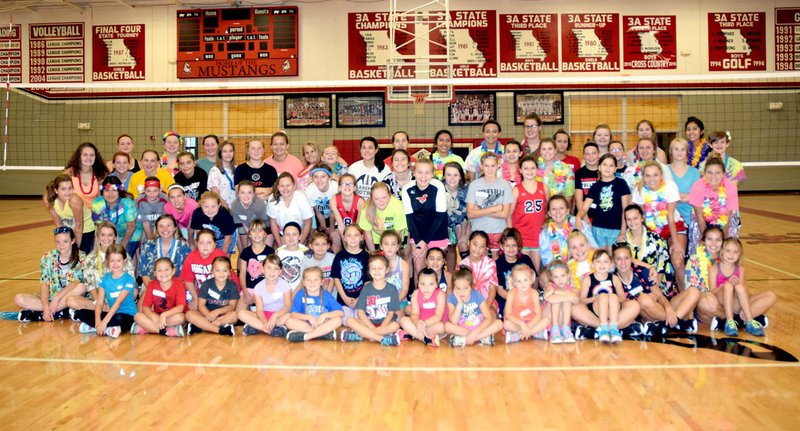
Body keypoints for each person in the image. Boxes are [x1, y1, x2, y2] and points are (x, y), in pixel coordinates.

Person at [612, 243, 698, 336]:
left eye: (626, 258)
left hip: (660, 307)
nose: (623, 262)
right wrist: (640, 299)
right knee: (644, 299)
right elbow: (622, 307)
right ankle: (677, 323)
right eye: (619, 259)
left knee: (694, 291)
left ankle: (669, 324)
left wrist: (668, 309)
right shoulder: (613, 280)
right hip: (644, 316)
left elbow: (660, 296)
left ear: (631, 259)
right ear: (614, 261)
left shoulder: (641, 271)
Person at [631, 161, 687, 291]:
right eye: (648, 175)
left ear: (661, 175)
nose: (651, 179)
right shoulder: (639, 190)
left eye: (655, 175)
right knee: (649, 262)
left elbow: (670, 216)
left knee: (677, 260)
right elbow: (641, 218)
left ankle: (685, 294)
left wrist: (676, 243)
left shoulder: (670, 186)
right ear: (643, 177)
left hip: (673, 226)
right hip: (652, 229)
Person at [12, 227, 86, 322]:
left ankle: (44, 312)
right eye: (58, 242)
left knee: (81, 287)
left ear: (72, 241)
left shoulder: (81, 256)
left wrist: (57, 298)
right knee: (19, 298)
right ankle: (59, 312)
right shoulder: (47, 257)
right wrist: (46, 307)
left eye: (65, 241)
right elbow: (44, 284)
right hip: (51, 299)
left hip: (69, 296)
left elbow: (76, 283)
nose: (61, 245)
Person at [707, 238, 775, 337]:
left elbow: (741, 290)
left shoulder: (741, 269)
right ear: (722, 252)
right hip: (723, 302)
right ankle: (731, 322)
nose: (731, 255)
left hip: (738, 303)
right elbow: (712, 293)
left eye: (735, 252)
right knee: (728, 286)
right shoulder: (714, 269)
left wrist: (744, 305)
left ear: (740, 254)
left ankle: (749, 321)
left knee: (771, 295)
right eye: (728, 251)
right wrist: (726, 284)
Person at [66, 222, 135, 312]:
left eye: (110, 235)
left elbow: (130, 281)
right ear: (98, 237)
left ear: (115, 237)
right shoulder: (90, 258)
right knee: (71, 301)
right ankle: (105, 310)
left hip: (120, 298)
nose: (106, 238)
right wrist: (100, 302)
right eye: (103, 235)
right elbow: (90, 285)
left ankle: (109, 311)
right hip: (99, 300)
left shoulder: (124, 255)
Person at [74, 244, 136, 338]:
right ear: (107, 262)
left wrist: (104, 322)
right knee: (80, 312)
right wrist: (98, 320)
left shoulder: (128, 280)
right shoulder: (104, 279)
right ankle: (107, 328)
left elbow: (117, 304)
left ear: (125, 261)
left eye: (118, 261)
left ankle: (97, 327)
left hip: (127, 315)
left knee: (119, 318)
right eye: (112, 261)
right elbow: (99, 303)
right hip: (111, 313)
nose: (115, 264)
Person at [340, 254, 402, 345]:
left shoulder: (392, 289)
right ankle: (381, 338)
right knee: (350, 321)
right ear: (369, 271)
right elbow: (360, 313)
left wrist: (379, 328)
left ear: (387, 269)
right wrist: (372, 328)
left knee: (395, 325)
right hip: (368, 324)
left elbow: (390, 314)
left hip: (385, 325)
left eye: (380, 268)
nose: (377, 271)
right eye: (373, 268)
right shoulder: (366, 288)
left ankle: (361, 335)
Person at [402, 158, 449, 278]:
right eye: (420, 172)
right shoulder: (407, 189)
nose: (423, 176)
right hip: (418, 234)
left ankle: (439, 295)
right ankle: (419, 296)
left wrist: (425, 242)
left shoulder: (438, 186)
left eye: (427, 172)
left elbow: (439, 217)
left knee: (436, 269)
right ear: (413, 173)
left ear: (432, 173)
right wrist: (419, 241)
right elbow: (409, 219)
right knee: (419, 269)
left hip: (437, 232)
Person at [577, 153, 631, 250]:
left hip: (616, 229)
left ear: (615, 169)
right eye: (604, 165)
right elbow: (584, 208)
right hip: (598, 229)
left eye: (611, 165)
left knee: (613, 259)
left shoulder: (621, 183)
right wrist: (578, 217)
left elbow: (625, 209)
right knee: (601, 259)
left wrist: (623, 231)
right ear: (599, 167)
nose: (608, 168)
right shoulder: (595, 186)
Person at [466, 153, 513, 259]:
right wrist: (496, 208)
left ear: (498, 166)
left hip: (498, 230)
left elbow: (505, 214)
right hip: (479, 230)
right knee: (481, 263)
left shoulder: (504, 185)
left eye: (493, 166)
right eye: (486, 166)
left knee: (496, 264)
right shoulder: (474, 185)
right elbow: (470, 214)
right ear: (481, 166)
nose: (490, 169)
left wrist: (480, 210)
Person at [623, 204, 675, 297]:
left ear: (642, 218)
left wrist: (656, 291)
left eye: (635, 218)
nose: (632, 222)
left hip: (656, 285)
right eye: (629, 219)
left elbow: (663, 267)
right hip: (632, 287)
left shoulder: (656, 239)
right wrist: (649, 266)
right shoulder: (622, 242)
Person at [689, 154, 740, 246]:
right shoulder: (697, 186)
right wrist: (706, 240)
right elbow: (699, 216)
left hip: (725, 223)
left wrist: (722, 241)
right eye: (709, 172)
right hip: (702, 222)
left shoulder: (730, 188)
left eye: (717, 173)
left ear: (723, 174)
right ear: (704, 173)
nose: (713, 176)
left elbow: (727, 219)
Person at [445, 267, 503, 347]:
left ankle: (469, 339)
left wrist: (474, 334)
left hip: (479, 327)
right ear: (453, 288)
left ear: (471, 287)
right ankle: (483, 338)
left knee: (499, 323)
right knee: (447, 326)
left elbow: (488, 318)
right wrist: (459, 303)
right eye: (458, 288)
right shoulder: (451, 298)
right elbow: (454, 321)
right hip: (463, 329)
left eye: (465, 288)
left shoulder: (477, 295)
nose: (462, 292)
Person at [284, 267, 343, 342]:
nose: (312, 283)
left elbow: (341, 313)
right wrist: (308, 317)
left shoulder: (327, 295)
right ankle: (322, 334)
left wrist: (324, 315)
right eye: (309, 280)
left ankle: (306, 336)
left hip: (323, 324)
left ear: (321, 282)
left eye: (316, 280)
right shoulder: (300, 294)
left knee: (338, 320)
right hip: (306, 325)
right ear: (304, 282)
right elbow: (293, 314)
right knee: (289, 321)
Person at [131, 257, 186, 337]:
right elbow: (145, 307)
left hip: (170, 316)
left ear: (173, 271)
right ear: (155, 273)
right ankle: (165, 331)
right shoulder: (152, 285)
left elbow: (180, 307)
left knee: (181, 318)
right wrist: (155, 318)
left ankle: (147, 328)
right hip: (156, 316)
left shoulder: (179, 284)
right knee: (137, 316)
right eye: (159, 270)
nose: (163, 273)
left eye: (166, 269)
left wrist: (164, 315)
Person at [239, 254, 292, 336]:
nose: (272, 272)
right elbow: (259, 310)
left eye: (276, 269)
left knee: (289, 316)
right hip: (263, 315)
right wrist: (264, 321)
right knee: (241, 313)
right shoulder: (258, 287)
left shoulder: (285, 285)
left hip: (279, 316)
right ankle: (269, 329)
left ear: (280, 272)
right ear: (262, 269)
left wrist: (275, 316)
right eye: (269, 268)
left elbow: (288, 306)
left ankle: (258, 327)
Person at [580, 250, 626, 343]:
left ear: (611, 264)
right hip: (597, 309)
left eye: (605, 261)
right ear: (592, 264)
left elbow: (623, 297)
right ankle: (604, 329)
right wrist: (595, 298)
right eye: (598, 261)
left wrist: (612, 298)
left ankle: (613, 329)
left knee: (613, 297)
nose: (602, 264)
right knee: (603, 297)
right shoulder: (588, 279)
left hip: (612, 309)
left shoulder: (614, 278)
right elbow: (582, 300)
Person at [185, 256, 239, 336]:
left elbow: (232, 306)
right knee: (189, 314)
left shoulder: (233, 286)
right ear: (212, 272)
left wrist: (217, 312)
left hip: (223, 315)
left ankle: (201, 327)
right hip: (206, 314)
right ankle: (220, 330)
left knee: (235, 315)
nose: (221, 274)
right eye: (217, 270)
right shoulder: (206, 284)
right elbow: (201, 305)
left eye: (224, 270)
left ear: (229, 272)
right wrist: (209, 315)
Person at [539, 195, 597, 267]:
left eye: (561, 208)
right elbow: (547, 261)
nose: (558, 212)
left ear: (567, 211)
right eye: (554, 209)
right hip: (559, 271)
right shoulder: (545, 233)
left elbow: (593, 248)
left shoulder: (578, 223)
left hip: (583, 265)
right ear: (549, 213)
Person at [91, 176, 142, 258]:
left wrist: (121, 247)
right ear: (102, 191)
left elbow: (131, 227)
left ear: (119, 191)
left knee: (123, 256)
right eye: (106, 190)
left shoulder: (127, 203)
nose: (110, 194)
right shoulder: (97, 204)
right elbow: (99, 227)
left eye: (114, 190)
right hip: (109, 235)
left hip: (131, 234)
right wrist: (100, 245)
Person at [44, 174, 95, 253]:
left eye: (70, 188)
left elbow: (79, 225)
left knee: (82, 258)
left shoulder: (74, 200)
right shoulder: (49, 199)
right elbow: (58, 223)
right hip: (71, 231)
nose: (67, 192)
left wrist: (75, 249)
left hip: (87, 231)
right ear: (56, 190)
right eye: (63, 189)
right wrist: (63, 241)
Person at [137, 214, 191, 288]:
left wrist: (170, 291)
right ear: (156, 229)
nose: (165, 229)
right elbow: (144, 274)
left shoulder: (183, 246)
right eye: (161, 226)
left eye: (168, 225)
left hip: (176, 287)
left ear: (175, 228)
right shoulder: (148, 245)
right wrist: (154, 290)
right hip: (151, 286)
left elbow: (185, 275)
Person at [331, 224, 370, 323]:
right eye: (349, 235)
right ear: (344, 238)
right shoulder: (339, 256)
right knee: (346, 320)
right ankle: (353, 331)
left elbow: (367, 281)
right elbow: (336, 279)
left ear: (362, 237)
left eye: (356, 235)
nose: (353, 238)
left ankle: (357, 331)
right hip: (344, 300)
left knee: (363, 319)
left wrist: (359, 298)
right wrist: (345, 298)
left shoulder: (367, 256)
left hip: (361, 299)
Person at [180, 229, 227, 310]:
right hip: (201, 294)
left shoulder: (220, 256)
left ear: (215, 244)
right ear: (196, 243)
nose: (205, 246)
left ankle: (213, 321)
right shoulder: (191, 257)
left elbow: (228, 280)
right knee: (190, 313)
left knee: (229, 311)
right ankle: (211, 321)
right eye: (201, 243)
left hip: (221, 293)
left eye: (209, 243)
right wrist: (195, 298)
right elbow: (188, 281)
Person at [494, 228, 535, 317]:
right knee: (510, 313)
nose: (511, 249)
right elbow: (500, 290)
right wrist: (515, 299)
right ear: (501, 246)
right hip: (507, 298)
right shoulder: (498, 264)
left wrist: (526, 298)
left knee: (533, 311)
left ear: (519, 246)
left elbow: (533, 282)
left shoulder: (525, 260)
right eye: (507, 245)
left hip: (526, 296)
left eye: (514, 245)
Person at [398, 268, 446, 346]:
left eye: (431, 284)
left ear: (436, 284)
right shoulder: (416, 294)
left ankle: (412, 334)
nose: (426, 288)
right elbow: (414, 313)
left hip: (434, 324)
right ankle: (425, 339)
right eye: (423, 284)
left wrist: (425, 323)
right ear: (418, 284)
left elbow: (438, 316)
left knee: (442, 327)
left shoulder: (440, 294)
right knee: (403, 320)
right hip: (420, 324)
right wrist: (418, 323)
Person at [504, 264, 550, 344]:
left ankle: (521, 334)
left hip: (531, 321)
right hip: (517, 322)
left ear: (531, 280)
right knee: (506, 324)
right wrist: (522, 324)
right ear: (514, 283)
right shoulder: (511, 294)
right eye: (519, 281)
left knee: (546, 320)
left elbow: (538, 314)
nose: (523, 284)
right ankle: (534, 333)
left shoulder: (534, 293)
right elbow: (507, 314)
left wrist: (528, 327)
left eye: (525, 280)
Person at [268, 173, 314, 247]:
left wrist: (300, 245)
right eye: (282, 186)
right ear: (278, 187)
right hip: (282, 234)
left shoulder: (301, 198)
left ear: (294, 186)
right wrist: (279, 245)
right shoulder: (272, 198)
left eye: (288, 185)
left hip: (300, 234)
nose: (285, 189)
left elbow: (308, 224)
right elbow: (273, 223)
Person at [358, 181, 407, 251]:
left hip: (394, 240)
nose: (381, 201)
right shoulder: (365, 208)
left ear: (389, 195)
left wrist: (394, 251)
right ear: (372, 198)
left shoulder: (398, 206)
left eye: (384, 197)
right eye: (376, 199)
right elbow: (368, 234)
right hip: (375, 241)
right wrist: (373, 253)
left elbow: (398, 232)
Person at [236, 219, 275, 308]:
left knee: (265, 311)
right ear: (249, 234)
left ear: (265, 234)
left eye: (260, 231)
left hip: (266, 289)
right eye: (253, 231)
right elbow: (242, 275)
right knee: (239, 313)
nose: (257, 234)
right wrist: (245, 292)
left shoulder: (270, 252)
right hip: (249, 289)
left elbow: (273, 274)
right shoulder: (245, 252)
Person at [460, 231, 499, 311]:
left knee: (492, 318)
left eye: (482, 246)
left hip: (488, 302)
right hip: (468, 303)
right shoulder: (461, 265)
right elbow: (460, 290)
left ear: (486, 248)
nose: (477, 249)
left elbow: (492, 289)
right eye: (475, 244)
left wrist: (487, 307)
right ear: (469, 243)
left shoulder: (490, 263)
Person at [666, 138, 701, 225]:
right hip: (669, 215)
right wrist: (685, 196)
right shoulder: (665, 170)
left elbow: (696, 196)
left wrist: (675, 196)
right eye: (676, 149)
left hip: (690, 216)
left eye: (682, 149)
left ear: (687, 152)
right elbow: (664, 194)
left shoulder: (695, 172)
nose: (679, 152)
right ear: (671, 151)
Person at [543, 260, 579, 343]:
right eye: (556, 277)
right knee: (559, 299)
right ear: (551, 278)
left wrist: (556, 291)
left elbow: (576, 299)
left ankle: (566, 329)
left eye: (562, 276)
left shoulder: (572, 289)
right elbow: (549, 298)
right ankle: (555, 330)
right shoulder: (550, 287)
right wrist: (567, 296)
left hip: (563, 322)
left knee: (566, 299)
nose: (560, 280)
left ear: (568, 275)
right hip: (549, 320)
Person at [443, 161, 470, 274]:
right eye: (448, 175)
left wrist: (465, 233)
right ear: (444, 176)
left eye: (455, 175)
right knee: (449, 248)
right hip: (444, 223)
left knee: (463, 244)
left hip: (463, 222)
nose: (452, 178)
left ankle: (467, 272)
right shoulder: (439, 188)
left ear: (460, 176)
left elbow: (469, 213)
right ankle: (449, 275)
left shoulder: (466, 189)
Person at [64, 142, 108, 208]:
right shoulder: (69, 173)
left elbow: (105, 199)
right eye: (85, 155)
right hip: (74, 213)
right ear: (79, 156)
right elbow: (51, 193)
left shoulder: (101, 174)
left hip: (93, 214)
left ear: (96, 157)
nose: (89, 158)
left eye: (92, 155)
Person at [230, 180, 267, 253]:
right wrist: (249, 234)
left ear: (254, 194)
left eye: (249, 193)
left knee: (260, 249)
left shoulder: (260, 205)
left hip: (262, 227)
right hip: (245, 227)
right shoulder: (235, 205)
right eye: (242, 193)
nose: (246, 196)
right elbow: (242, 224)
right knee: (245, 251)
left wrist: (255, 236)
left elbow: (261, 226)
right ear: (238, 194)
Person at [305, 164, 339, 241]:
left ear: (329, 178)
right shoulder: (310, 190)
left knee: (334, 237)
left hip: (335, 215)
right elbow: (318, 212)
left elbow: (333, 211)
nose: (319, 180)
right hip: (320, 215)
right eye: (316, 177)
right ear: (312, 178)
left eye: (323, 177)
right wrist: (324, 231)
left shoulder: (335, 187)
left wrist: (331, 229)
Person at [537, 138, 574, 205]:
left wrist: (556, 210)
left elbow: (569, 195)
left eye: (550, 149)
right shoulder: (534, 168)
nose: (547, 152)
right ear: (540, 151)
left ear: (555, 150)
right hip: (539, 209)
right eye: (544, 149)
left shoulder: (566, 169)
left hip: (559, 211)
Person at [331, 173, 362, 253]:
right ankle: (336, 259)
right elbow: (340, 226)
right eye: (344, 184)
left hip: (356, 229)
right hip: (341, 228)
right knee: (335, 237)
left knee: (360, 238)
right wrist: (346, 247)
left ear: (354, 187)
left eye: (350, 184)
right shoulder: (334, 200)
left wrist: (352, 242)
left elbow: (358, 227)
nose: (347, 186)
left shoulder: (360, 201)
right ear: (339, 187)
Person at [275, 221, 309, 291]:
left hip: (301, 290)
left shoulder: (306, 252)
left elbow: (308, 275)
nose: (291, 238)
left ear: (300, 236)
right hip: (282, 290)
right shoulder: (278, 252)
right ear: (283, 237)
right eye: (287, 235)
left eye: (294, 234)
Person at [573, 142, 600, 220]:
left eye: (593, 153)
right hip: (584, 217)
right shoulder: (579, 173)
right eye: (587, 154)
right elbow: (579, 201)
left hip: (600, 217)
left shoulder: (604, 171)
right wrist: (587, 221)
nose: (591, 157)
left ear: (598, 154)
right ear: (583, 156)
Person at [207, 140, 237, 207]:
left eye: (231, 151)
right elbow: (215, 193)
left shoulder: (237, 169)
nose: (228, 154)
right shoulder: (215, 171)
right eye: (225, 151)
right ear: (220, 154)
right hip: (222, 207)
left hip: (236, 207)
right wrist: (225, 207)